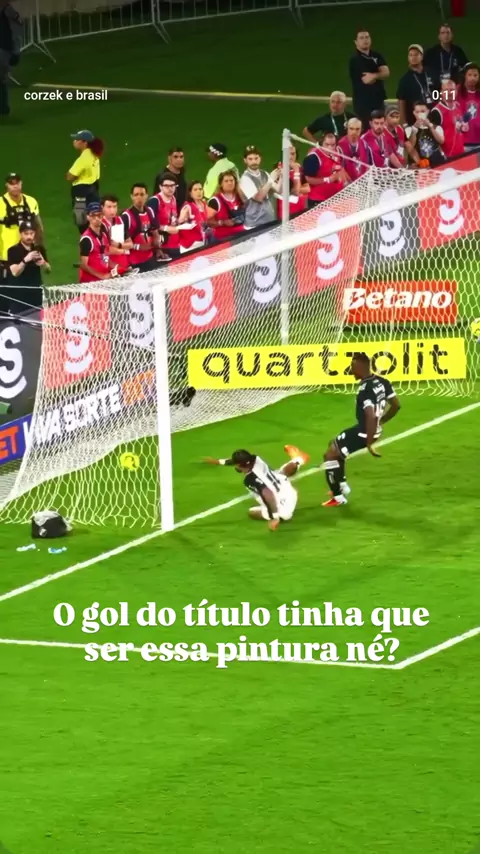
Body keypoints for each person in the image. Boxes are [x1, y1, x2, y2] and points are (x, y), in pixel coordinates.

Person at [322, 352, 400, 507]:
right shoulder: (382, 381)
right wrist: (381, 421)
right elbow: (396, 405)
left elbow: (370, 415)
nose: (350, 370)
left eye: (352, 367)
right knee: (335, 445)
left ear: (359, 367)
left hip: (364, 432)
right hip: (372, 429)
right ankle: (342, 484)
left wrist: (369, 443)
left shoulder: (365, 390)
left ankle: (338, 497)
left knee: (329, 456)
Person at [203, 445, 309, 530]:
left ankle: (279, 517)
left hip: (284, 509)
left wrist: (275, 517)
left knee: (252, 513)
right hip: (289, 491)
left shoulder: (250, 480)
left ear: (239, 465)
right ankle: (298, 460)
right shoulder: (256, 458)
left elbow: (268, 495)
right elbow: (237, 461)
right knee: (279, 474)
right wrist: (219, 462)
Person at [349, 29, 389, 130]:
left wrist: (374, 75)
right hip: (363, 104)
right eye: (361, 38)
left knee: (380, 130)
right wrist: (379, 73)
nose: (365, 40)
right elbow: (367, 79)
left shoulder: (377, 55)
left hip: (378, 101)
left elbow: (386, 72)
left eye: (367, 37)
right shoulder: (355, 60)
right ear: (356, 42)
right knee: (366, 132)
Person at [5, 220, 49, 315]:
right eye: (26, 234)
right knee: (18, 322)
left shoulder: (38, 249)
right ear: (20, 234)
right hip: (19, 297)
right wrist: (25, 260)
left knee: (36, 319)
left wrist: (44, 263)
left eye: (31, 233)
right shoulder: (13, 250)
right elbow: (15, 272)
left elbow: (48, 270)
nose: (29, 236)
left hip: (36, 294)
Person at [121, 183, 166, 272]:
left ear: (146, 196)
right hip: (134, 262)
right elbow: (120, 242)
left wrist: (158, 248)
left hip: (150, 258)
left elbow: (155, 232)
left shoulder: (150, 211)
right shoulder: (126, 216)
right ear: (131, 196)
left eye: (142, 194)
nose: (139, 197)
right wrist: (138, 247)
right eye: (136, 195)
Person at [0, 173, 42, 267]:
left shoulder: (31, 201)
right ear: (6, 185)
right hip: (6, 255)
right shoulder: (0, 203)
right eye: (11, 184)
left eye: (17, 183)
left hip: (29, 254)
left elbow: (38, 226)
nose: (15, 186)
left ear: (21, 183)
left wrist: (39, 248)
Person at [66, 129, 104, 234]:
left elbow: (70, 176)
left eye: (77, 139)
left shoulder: (84, 158)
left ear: (84, 142)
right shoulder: (94, 154)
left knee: (82, 224)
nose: (74, 141)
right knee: (95, 222)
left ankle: (87, 242)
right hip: (93, 192)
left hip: (81, 195)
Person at [396, 45, 439, 127]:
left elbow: (439, 91)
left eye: (416, 54)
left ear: (422, 57)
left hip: (433, 118)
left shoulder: (431, 73)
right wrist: (403, 123)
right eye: (410, 55)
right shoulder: (405, 79)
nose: (413, 57)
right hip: (414, 121)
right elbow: (401, 101)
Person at [303, 132, 348, 208]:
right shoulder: (314, 158)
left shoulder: (338, 151)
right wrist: (328, 179)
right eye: (327, 145)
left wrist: (346, 182)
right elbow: (308, 179)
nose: (330, 148)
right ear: (321, 143)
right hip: (319, 201)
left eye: (333, 145)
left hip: (337, 198)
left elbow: (341, 168)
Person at [429, 78, 467, 159]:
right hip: (447, 157)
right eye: (446, 90)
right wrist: (443, 156)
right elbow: (434, 139)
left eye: (452, 90)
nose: (449, 93)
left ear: (456, 91)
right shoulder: (437, 111)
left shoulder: (458, 106)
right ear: (441, 92)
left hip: (461, 153)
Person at [241, 146, 277, 230]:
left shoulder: (264, 173)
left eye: (256, 158)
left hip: (268, 219)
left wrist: (282, 175)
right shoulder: (245, 179)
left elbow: (279, 190)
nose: (254, 161)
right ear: (245, 160)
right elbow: (258, 198)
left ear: (260, 158)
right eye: (250, 159)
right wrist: (270, 180)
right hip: (255, 224)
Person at [79, 202, 116, 283]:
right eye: (93, 216)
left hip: (103, 282)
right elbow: (83, 265)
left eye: (99, 215)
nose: (97, 218)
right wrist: (102, 276)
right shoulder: (87, 239)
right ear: (88, 217)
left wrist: (118, 268)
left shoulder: (104, 235)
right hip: (89, 283)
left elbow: (105, 257)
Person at [206, 170, 246, 242]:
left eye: (231, 180)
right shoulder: (215, 201)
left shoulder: (240, 197)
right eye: (226, 181)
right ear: (221, 184)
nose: (229, 183)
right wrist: (222, 222)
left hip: (242, 235)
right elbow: (207, 221)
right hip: (224, 239)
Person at [148, 173, 181, 259]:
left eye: (172, 185)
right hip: (161, 246)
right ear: (160, 187)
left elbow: (173, 219)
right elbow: (148, 224)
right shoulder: (155, 201)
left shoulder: (173, 198)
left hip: (174, 243)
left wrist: (181, 221)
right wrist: (166, 228)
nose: (170, 188)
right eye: (166, 186)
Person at [405, 101, 446, 168]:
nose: (420, 114)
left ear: (428, 111)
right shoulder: (409, 129)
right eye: (417, 112)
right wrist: (414, 129)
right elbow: (410, 147)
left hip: (435, 163)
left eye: (423, 111)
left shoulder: (436, 127)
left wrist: (430, 127)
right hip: (419, 165)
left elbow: (441, 141)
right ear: (413, 113)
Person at [273, 145, 309, 220]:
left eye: (293, 154)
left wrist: (298, 189)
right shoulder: (279, 170)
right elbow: (295, 192)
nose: (290, 157)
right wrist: (296, 171)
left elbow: (308, 189)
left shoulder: (300, 168)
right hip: (286, 212)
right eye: (288, 154)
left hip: (301, 209)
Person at [101, 194, 133, 275]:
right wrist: (124, 250)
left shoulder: (120, 220)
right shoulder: (101, 225)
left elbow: (130, 244)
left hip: (124, 265)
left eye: (114, 206)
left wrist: (118, 245)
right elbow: (106, 250)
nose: (112, 210)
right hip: (110, 268)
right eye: (109, 207)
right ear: (102, 208)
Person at [0, 0, 22, 117]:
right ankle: (3, 108)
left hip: (5, 50)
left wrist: (15, 51)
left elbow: (17, 29)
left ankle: (3, 108)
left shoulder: (8, 11)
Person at [178, 181, 208, 254]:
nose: (198, 192)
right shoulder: (187, 207)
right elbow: (179, 223)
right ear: (190, 193)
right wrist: (183, 220)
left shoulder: (204, 204)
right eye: (195, 190)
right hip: (190, 245)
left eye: (200, 189)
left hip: (203, 242)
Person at [456, 63, 480, 150]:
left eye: (475, 75)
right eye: (469, 75)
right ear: (464, 76)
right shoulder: (455, 90)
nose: (472, 78)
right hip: (462, 141)